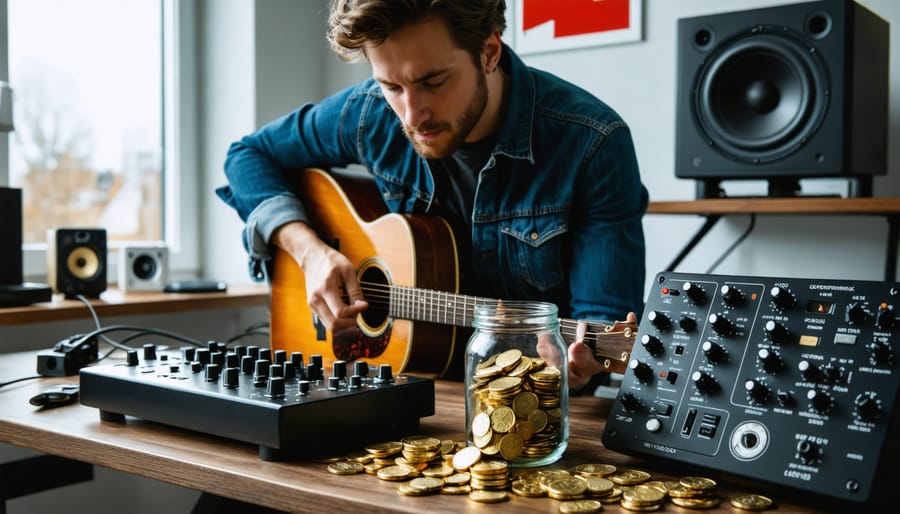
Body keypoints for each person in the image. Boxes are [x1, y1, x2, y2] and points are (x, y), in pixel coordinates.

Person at [217, 0, 648, 391]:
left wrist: (571, 370)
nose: (411, 113)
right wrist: (310, 252)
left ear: (489, 52)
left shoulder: (592, 143)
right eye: (391, 86)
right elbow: (247, 156)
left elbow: (600, 334)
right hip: (402, 393)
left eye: (434, 81)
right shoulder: (369, 113)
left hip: (528, 411)